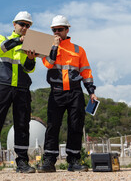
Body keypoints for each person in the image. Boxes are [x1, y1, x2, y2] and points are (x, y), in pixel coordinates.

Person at [0, 11, 38, 174]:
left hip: (22, 88)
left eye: (28, 25)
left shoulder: (28, 46)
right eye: (22, 24)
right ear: (14, 24)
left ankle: (22, 163)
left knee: (22, 126)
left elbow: (29, 69)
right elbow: (3, 48)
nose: (25, 27)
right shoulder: (1, 38)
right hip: (4, 86)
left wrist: (31, 58)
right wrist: (19, 40)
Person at [38, 15, 97, 173]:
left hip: (75, 92)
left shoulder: (78, 50)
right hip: (56, 92)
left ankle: (74, 160)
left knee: (75, 126)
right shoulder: (47, 47)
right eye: (54, 30)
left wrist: (91, 92)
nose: (56, 32)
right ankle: (49, 161)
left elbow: (86, 71)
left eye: (60, 29)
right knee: (52, 126)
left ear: (67, 29)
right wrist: (54, 47)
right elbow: (49, 64)